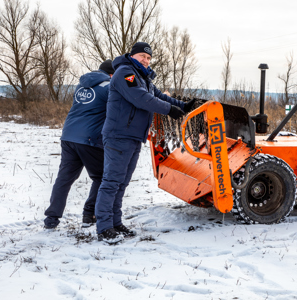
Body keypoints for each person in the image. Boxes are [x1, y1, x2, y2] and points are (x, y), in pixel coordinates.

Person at [95, 42, 195, 242]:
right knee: (112, 181)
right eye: (142, 56)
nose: (146, 60)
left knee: (121, 183)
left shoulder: (143, 77)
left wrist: (183, 106)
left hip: (133, 136)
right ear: (132, 56)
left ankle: (115, 222)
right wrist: (170, 110)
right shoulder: (126, 74)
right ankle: (104, 227)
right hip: (119, 135)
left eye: (149, 58)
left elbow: (156, 95)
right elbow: (141, 98)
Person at [44, 60, 115, 229]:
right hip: (89, 139)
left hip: (68, 136)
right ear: (112, 74)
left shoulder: (82, 85)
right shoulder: (109, 87)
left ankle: (51, 219)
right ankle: (89, 214)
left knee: (64, 178)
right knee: (101, 176)